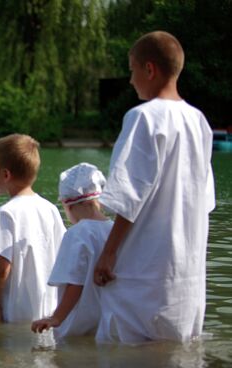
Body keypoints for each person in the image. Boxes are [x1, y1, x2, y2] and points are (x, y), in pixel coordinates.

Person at [93, 31, 216, 343]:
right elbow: (206, 200)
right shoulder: (198, 120)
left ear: (150, 69)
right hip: (186, 272)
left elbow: (128, 195)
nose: (131, 80)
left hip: (144, 267)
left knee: (128, 352)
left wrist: (108, 253)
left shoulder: (143, 118)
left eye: (132, 70)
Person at [0, 133, 66, 322]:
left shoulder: (6, 213)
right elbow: (63, 254)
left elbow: (1, 269)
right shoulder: (51, 209)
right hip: (49, 307)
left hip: (17, 311)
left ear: (5, 174)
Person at [31, 163, 113, 340]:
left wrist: (56, 318)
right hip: (107, 326)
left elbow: (74, 283)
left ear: (68, 204)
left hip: (77, 327)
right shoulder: (114, 231)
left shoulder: (76, 234)